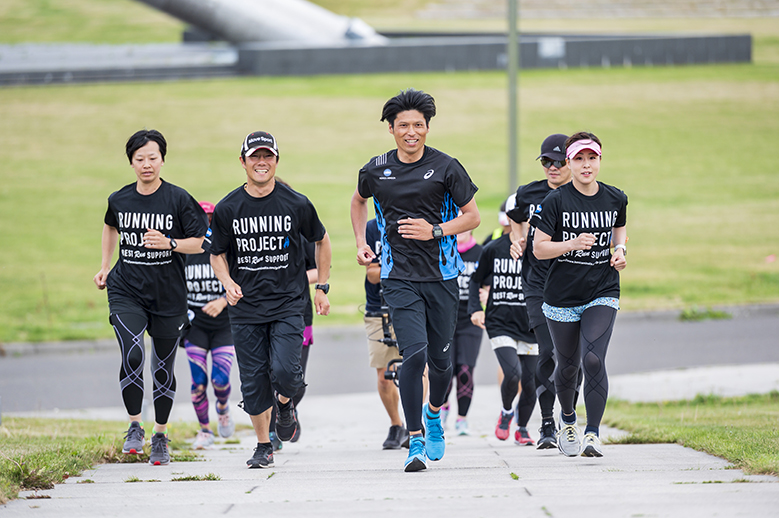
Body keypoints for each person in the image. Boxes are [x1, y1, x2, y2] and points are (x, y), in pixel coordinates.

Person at [350, 88, 480, 472]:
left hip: (441, 277)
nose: (411, 132)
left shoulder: (447, 167)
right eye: (403, 125)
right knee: (414, 354)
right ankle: (416, 439)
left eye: (418, 125)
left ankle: (435, 413)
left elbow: (471, 217)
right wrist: (361, 242)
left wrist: (435, 230)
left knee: (442, 365)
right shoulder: (375, 169)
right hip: (397, 276)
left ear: (427, 128)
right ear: (391, 129)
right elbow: (358, 201)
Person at [207, 131, 331, 469]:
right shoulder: (229, 207)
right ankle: (263, 445)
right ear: (243, 161)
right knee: (253, 381)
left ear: (276, 160)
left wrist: (322, 286)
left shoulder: (296, 203)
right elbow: (215, 253)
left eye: (268, 157)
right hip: (245, 308)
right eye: (255, 157)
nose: (261, 163)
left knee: (286, 372)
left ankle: (286, 403)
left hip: (289, 304)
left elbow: (322, 240)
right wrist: (227, 281)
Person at [93, 129, 208, 466]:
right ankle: (134, 427)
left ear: (162, 160)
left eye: (152, 158)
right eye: (140, 159)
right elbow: (110, 226)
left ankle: (160, 434)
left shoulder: (178, 199)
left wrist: (171, 243)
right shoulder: (120, 199)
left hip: (168, 296)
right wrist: (104, 266)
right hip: (126, 289)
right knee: (131, 355)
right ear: (131, 162)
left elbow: (202, 241)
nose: (146, 164)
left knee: (162, 367)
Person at [529, 131, 628, 457]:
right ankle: (568, 418)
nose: (586, 165)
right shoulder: (555, 201)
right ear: (569, 163)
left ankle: (592, 434)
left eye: (592, 158)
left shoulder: (615, 198)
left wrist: (620, 250)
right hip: (561, 296)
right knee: (569, 366)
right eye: (579, 159)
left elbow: (619, 229)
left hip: (602, 289)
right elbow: (539, 249)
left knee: (593, 359)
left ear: (600, 160)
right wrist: (570, 244)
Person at [506, 133, 581, 449]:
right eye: (546, 162)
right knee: (548, 352)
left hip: (574, 283)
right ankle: (548, 423)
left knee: (572, 358)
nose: (552, 167)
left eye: (559, 161)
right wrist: (518, 239)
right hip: (537, 284)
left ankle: (569, 415)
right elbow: (515, 216)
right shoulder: (529, 193)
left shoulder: (582, 194)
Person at [468, 193, 538, 446]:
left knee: (531, 383)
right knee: (512, 373)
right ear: (509, 220)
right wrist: (475, 309)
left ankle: (522, 428)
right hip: (500, 322)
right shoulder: (493, 249)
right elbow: (476, 279)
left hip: (532, 325)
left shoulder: (540, 250)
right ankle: (507, 411)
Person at [184, 201, 236, 450]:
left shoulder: (228, 250)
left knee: (219, 379)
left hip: (224, 325)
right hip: (196, 326)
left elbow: (245, 283)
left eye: (210, 218)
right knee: (198, 382)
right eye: (201, 218)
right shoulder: (185, 252)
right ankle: (205, 430)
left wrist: (223, 301)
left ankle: (223, 408)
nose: (205, 223)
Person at [363, 217, 409, 449]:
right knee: (384, 377)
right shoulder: (372, 228)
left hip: (411, 306)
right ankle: (396, 423)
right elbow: (371, 274)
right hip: (378, 307)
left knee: (417, 367)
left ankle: (415, 424)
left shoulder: (413, 222)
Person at [440, 226, 483, 435]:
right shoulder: (443, 249)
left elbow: (489, 282)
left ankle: (462, 419)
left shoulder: (481, 253)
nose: (459, 233)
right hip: (445, 319)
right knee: (445, 369)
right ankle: (443, 409)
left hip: (470, 319)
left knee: (465, 370)